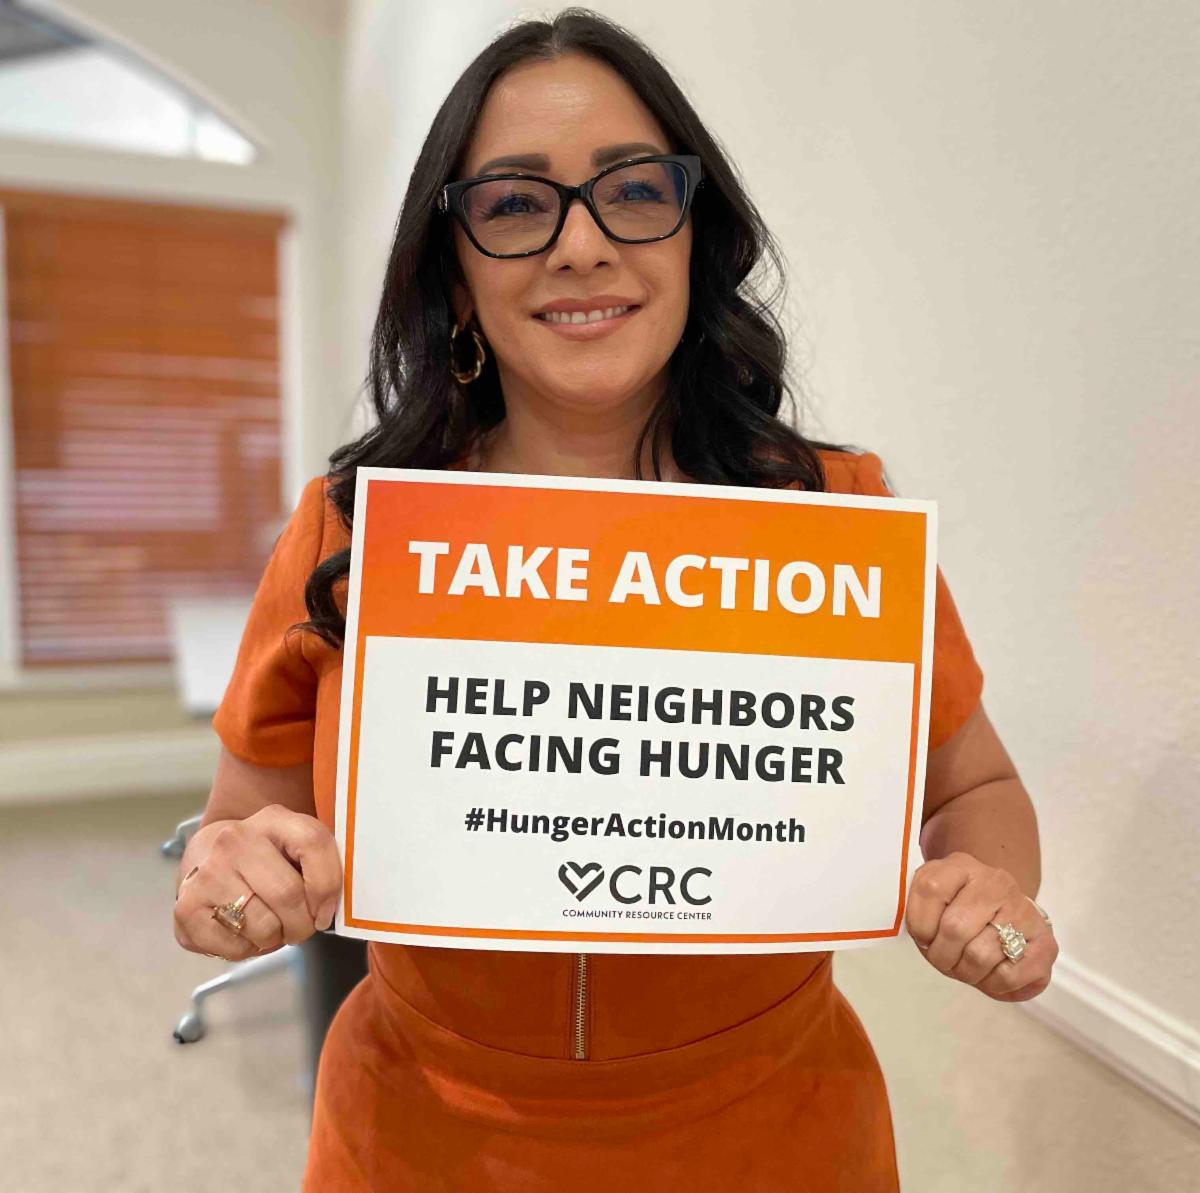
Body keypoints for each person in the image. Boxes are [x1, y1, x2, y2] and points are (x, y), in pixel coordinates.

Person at [172, 9, 1055, 1189]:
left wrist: (993, 893)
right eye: (514, 203)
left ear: (696, 235)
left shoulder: (835, 514)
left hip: (780, 1137)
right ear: (453, 268)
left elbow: (977, 787)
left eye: (635, 190)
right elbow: (240, 820)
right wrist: (233, 875)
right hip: (418, 1138)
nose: (582, 246)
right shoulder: (349, 531)